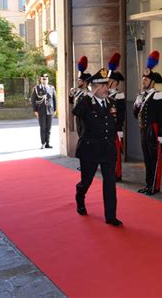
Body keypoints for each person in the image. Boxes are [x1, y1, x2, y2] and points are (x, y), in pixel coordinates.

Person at [72, 67, 122, 227]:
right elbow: (76, 112)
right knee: (86, 181)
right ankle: (80, 196)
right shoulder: (86, 103)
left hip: (107, 149)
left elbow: (115, 123)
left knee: (110, 183)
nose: (107, 88)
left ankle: (111, 216)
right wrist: (88, 95)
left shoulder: (111, 103)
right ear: (94, 87)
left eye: (107, 85)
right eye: (103, 85)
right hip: (90, 149)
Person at [134, 51, 162, 196]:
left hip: (153, 130)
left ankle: (155, 186)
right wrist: (136, 105)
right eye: (143, 79)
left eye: (146, 80)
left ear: (152, 82)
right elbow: (136, 115)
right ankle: (148, 184)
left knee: (155, 160)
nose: (143, 82)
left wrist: (161, 134)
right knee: (147, 159)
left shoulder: (158, 95)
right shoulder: (142, 96)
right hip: (143, 130)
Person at [107, 53, 126, 182]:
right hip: (107, 128)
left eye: (109, 80)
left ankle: (117, 174)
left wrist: (119, 129)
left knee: (116, 154)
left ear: (115, 82)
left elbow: (121, 114)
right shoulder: (105, 94)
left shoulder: (119, 95)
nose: (107, 82)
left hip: (115, 128)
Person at [31, 73, 57, 149]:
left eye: (46, 79)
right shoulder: (37, 88)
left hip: (50, 110)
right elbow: (33, 100)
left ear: (48, 80)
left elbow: (54, 99)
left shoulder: (51, 88)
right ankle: (43, 143)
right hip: (41, 111)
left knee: (49, 128)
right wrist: (35, 110)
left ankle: (47, 143)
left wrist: (55, 109)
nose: (44, 80)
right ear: (41, 79)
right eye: (43, 79)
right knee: (43, 127)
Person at [69, 56, 91, 137]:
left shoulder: (89, 93)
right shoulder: (77, 92)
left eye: (80, 81)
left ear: (85, 82)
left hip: (86, 118)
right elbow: (71, 103)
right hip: (78, 117)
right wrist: (71, 95)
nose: (78, 82)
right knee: (79, 133)